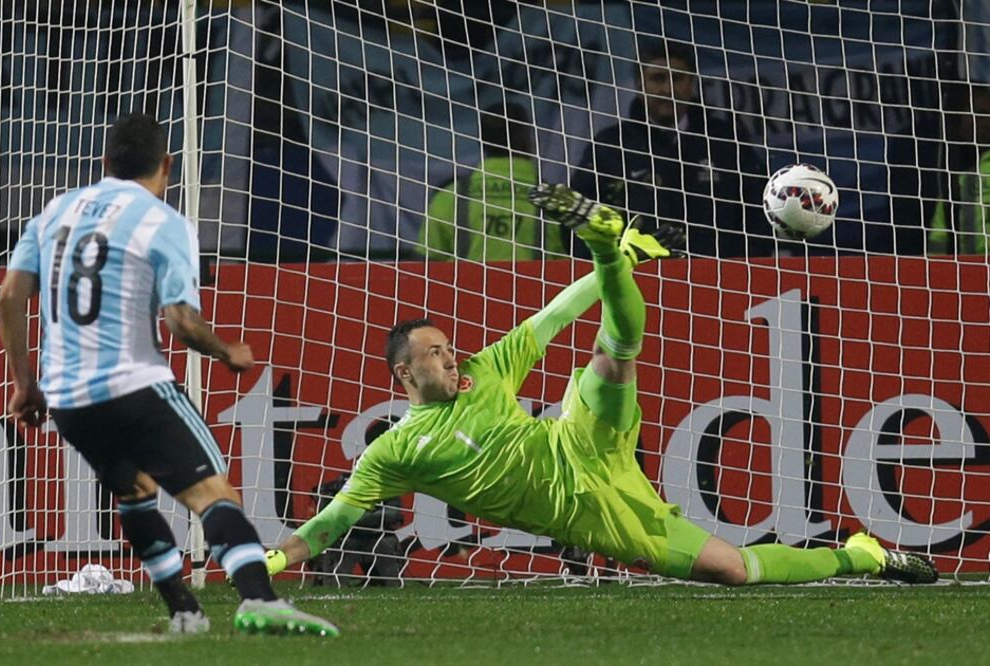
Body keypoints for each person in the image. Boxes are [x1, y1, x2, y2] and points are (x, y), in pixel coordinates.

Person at [261, 182, 938, 587]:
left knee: (614, 354)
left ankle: (604, 243)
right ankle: (860, 556)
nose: (452, 356)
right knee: (732, 570)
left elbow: (555, 314)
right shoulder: (392, 453)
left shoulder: (489, 369)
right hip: (593, 516)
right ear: (405, 374)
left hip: (580, 440)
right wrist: (269, 561)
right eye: (436, 354)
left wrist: (626, 257)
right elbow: (327, 525)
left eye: (449, 346)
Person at [0, 113, 338, 636]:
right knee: (212, 496)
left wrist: (24, 383)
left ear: (105, 162)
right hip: (134, 385)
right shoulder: (163, 221)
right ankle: (260, 598)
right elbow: (181, 321)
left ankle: (184, 610)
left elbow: (9, 296)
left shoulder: (55, 212)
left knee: (134, 491)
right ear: (167, 165)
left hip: (67, 397)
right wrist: (228, 352)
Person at [570, 38, 773, 258]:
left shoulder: (725, 140)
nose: (668, 89)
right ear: (639, 85)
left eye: (677, 78)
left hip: (719, 280)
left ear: (691, 83)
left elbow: (759, 212)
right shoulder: (610, 146)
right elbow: (579, 225)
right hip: (638, 282)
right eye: (657, 78)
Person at [416, 102, 565, 261]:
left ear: (482, 141)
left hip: (467, 286)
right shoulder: (558, 202)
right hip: (543, 286)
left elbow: (427, 265)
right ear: (527, 139)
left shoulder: (449, 198)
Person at [927, 85, 990, 255]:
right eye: (968, 112)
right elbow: (938, 237)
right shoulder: (954, 179)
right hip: (970, 273)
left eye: (982, 113)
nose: (972, 119)